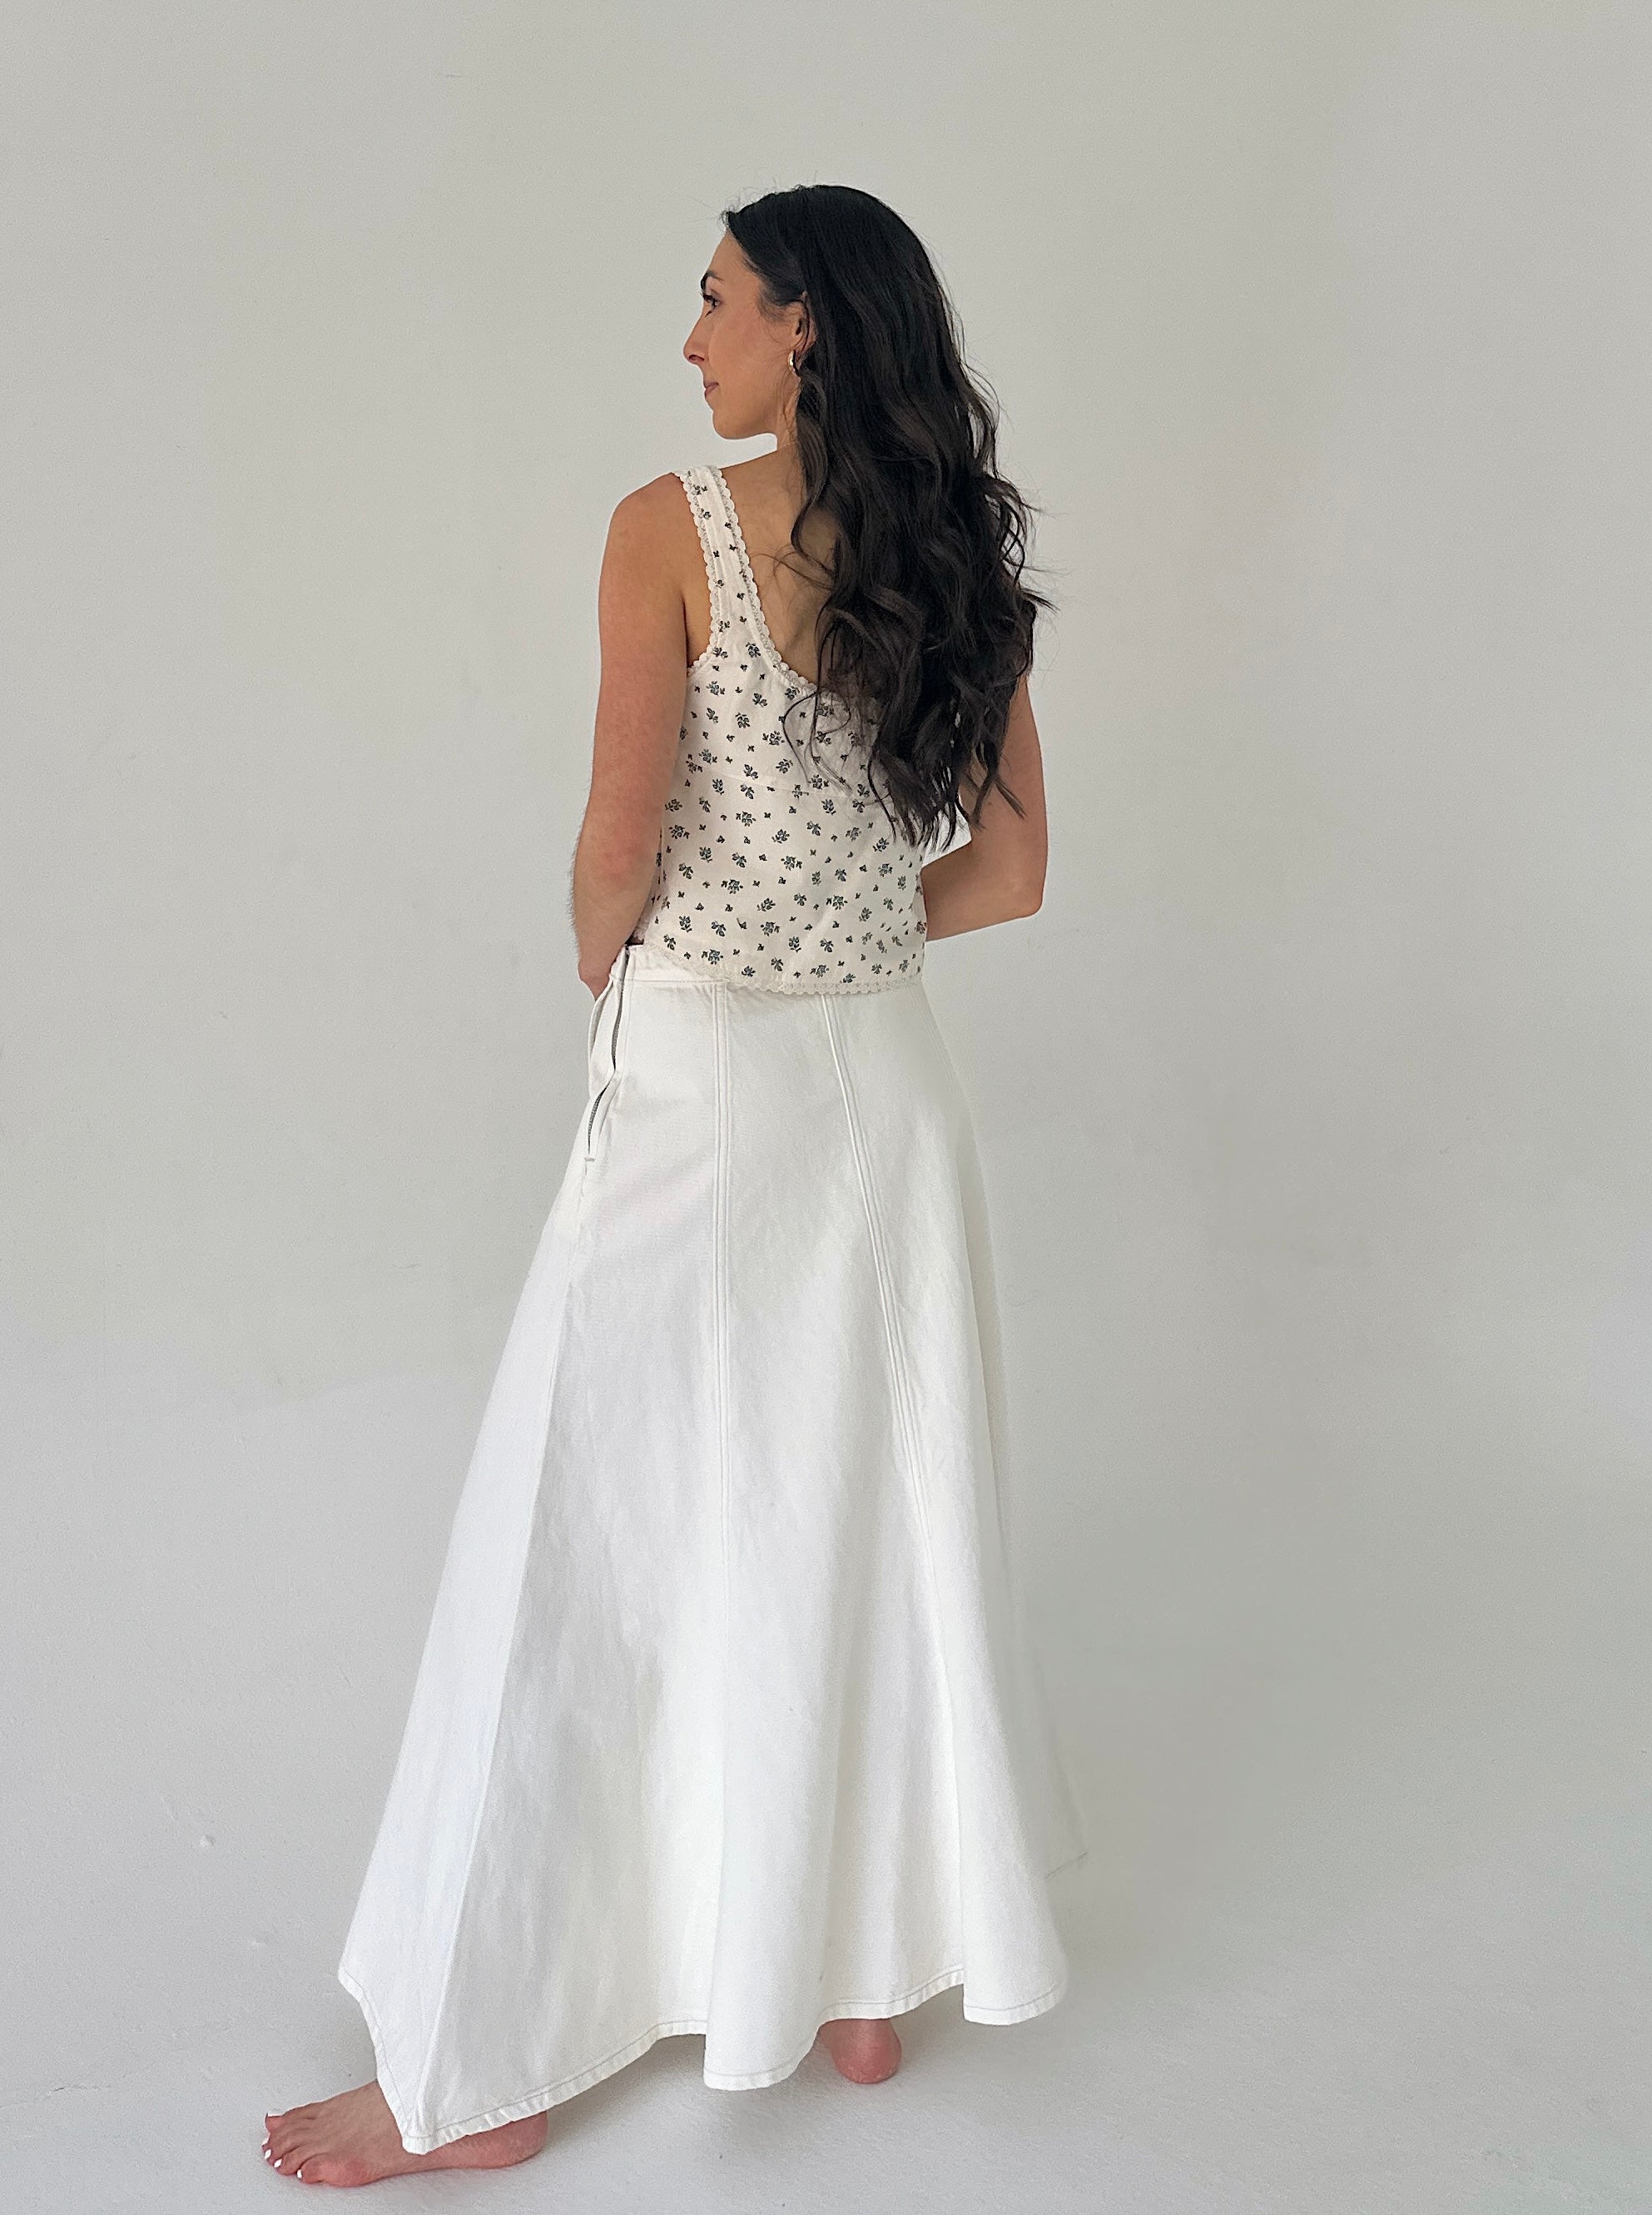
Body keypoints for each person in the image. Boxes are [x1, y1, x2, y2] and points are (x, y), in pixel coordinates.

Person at [262, 182, 1088, 2188]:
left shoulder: (671, 525)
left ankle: (490, 2058)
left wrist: (600, 947)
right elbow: (1009, 870)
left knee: (581, 1535)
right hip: (883, 1090)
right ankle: (862, 1978)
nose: (689, 336)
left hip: (700, 1074)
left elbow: (613, 843)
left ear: (803, 326)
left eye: (714, 299)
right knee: (863, 1504)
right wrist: (842, 931)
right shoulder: (949, 549)